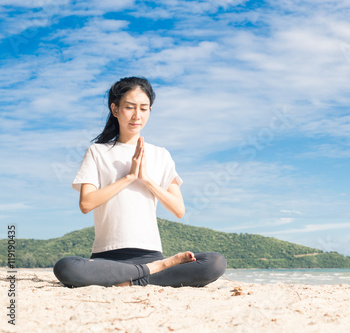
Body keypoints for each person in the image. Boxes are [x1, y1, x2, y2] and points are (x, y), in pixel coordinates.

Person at [53, 77, 226, 288]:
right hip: (107, 259)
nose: (137, 115)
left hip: (151, 255)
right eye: (129, 107)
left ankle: (133, 277)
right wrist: (129, 177)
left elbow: (179, 209)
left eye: (144, 108)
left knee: (215, 263)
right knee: (66, 268)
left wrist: (146, 179)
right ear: (115, 109)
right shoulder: (97, 152)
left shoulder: (160, 155)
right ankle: (148, 274)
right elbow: (86, 204)